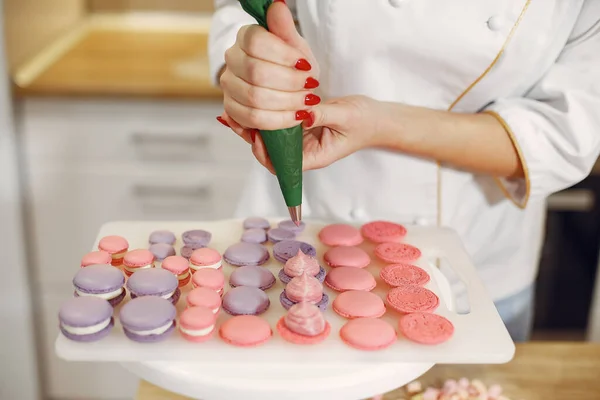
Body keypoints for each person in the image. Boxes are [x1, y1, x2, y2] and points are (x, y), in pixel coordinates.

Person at [209, 0, 600, 341]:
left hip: (475, 262)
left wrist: (380, 124)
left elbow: (565, 132)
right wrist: (254, 69)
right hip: (297, 226)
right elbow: (248, 10)